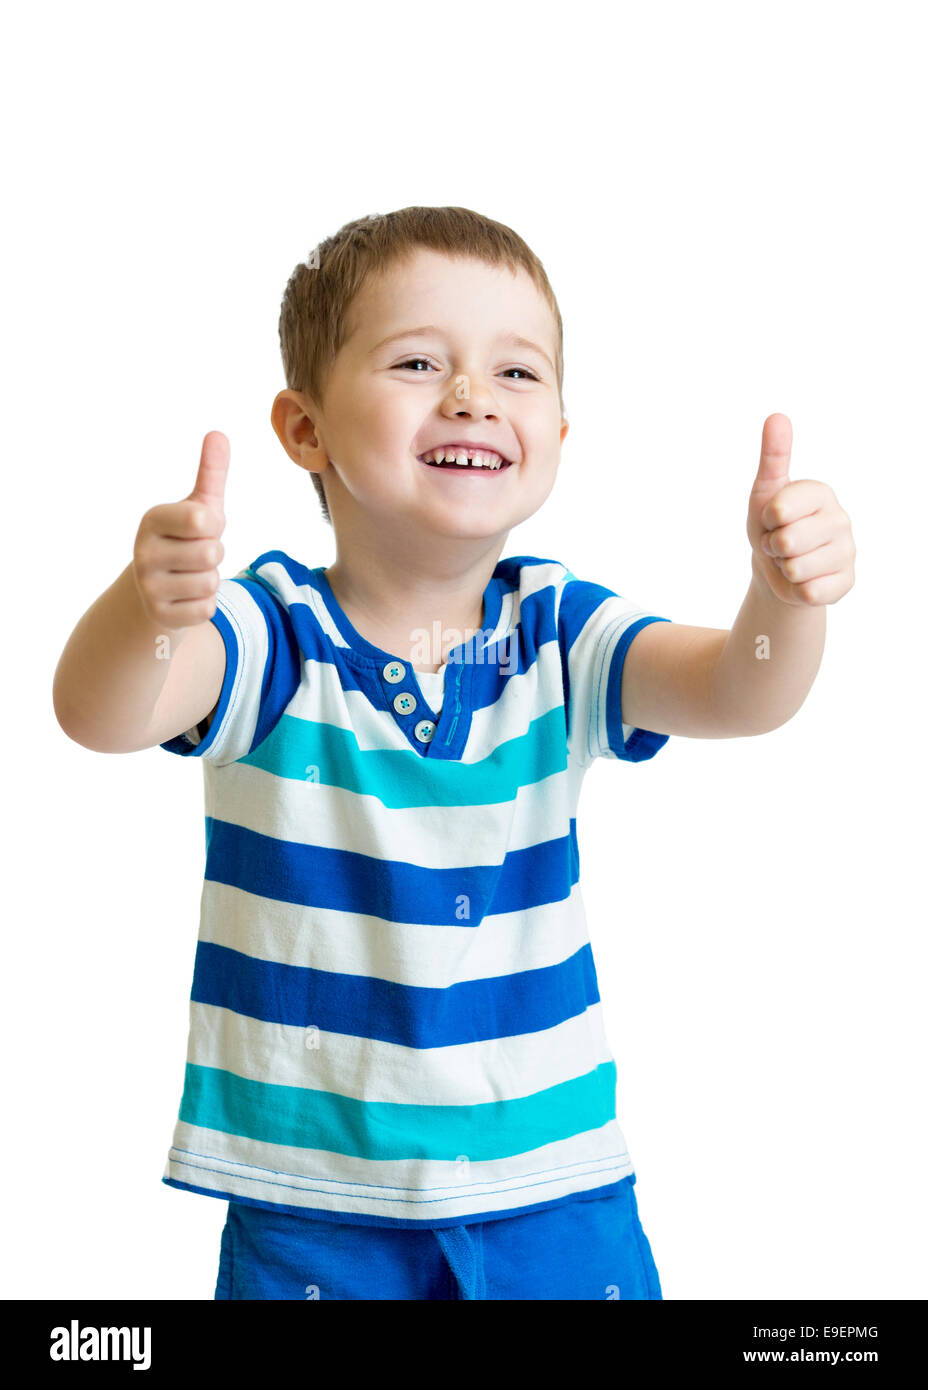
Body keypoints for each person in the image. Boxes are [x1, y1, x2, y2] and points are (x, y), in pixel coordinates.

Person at [52, 206, 856, 1300]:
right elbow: (103, 715)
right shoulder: (267, 632)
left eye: (517, 372)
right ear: (305, 430)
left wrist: (780, 597)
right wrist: (147, 609)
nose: (473, 394)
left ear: (559, 440)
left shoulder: (558, 630)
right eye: (420, 360)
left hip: (554, 1191)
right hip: (312, 1200)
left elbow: (739, 688)